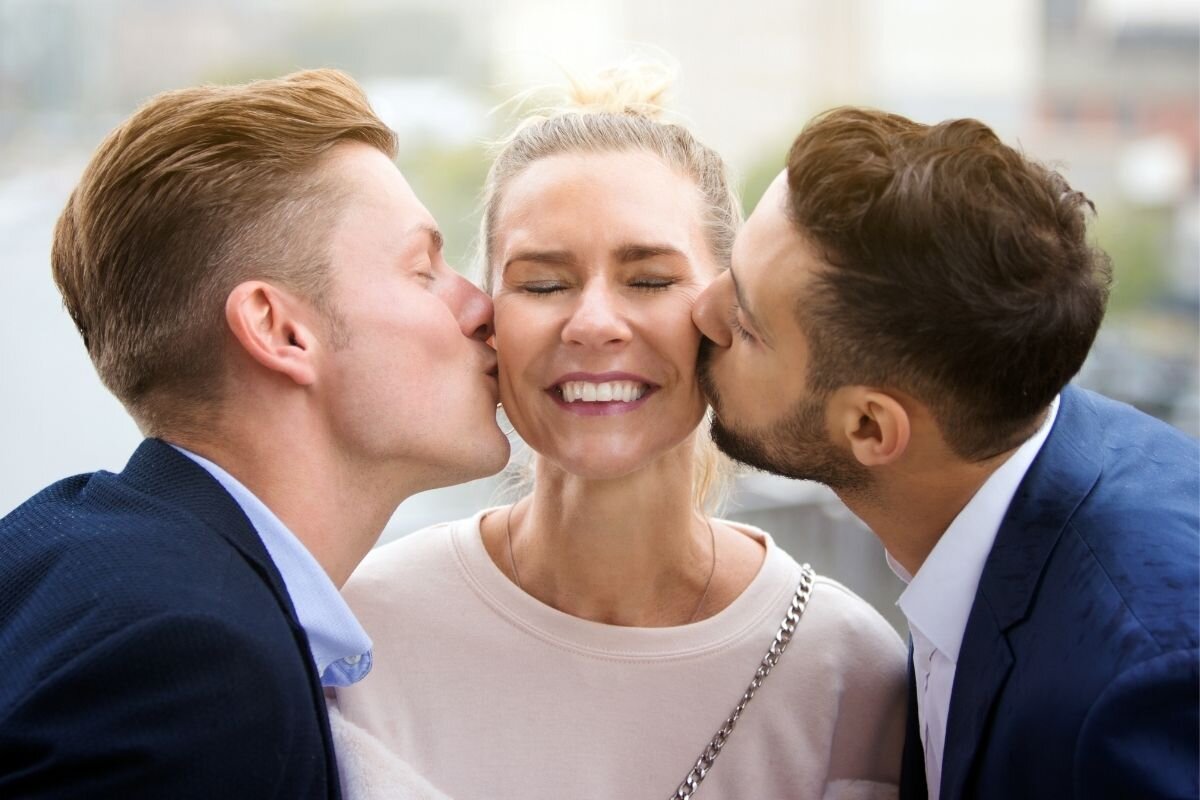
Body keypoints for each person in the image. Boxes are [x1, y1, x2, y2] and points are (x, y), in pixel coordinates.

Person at [332, 64, 907, 800]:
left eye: (649, 281)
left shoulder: (847, 672)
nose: (595, 323)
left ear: (728, 314)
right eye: (543, 284)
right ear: (489, 319)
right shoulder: (358, 636)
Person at [0, 69, 508, 798]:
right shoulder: (196, 666)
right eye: (424, 269)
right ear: (279, 330)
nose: (481, 307)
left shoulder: (53, 552)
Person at [691, 106, 1199, 800]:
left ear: (871, 428)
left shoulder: (1137, 691)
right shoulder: (1035, 457)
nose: (701, 309)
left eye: (746, 325)